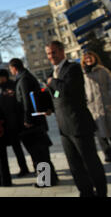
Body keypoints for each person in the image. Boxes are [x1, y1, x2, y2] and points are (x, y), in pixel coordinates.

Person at [46, 41, 107, 197]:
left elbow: (66, 90)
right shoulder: (55, 72)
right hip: (64, 127)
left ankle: (100, 192)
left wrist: (52, 83)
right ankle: (85, 192)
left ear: (62, 52)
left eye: (54, 52)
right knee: (75, 165)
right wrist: (51, 105)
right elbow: (59, 95)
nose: (51, 56)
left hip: (79, 124)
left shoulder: (72, 68)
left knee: (90, 163)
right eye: (48, 53)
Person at [9, 58, 59, 188]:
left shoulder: (23, 79)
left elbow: (26, 100)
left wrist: (27, 119)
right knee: (41, 152)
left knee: (38, 153)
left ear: (14, 68)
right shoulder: (26, 76)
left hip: (32, 124)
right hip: (36, 121)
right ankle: (51, 178)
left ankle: (46, 180)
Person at [0, 69, 31, 177]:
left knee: (20, 147)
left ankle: (24, 167)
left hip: (16, 123)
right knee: (13, 148)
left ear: (3, 77)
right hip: (4, 125)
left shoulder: (13, 86)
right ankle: (20, 168)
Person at [81, 51, 111, 162]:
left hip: (106, 104)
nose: (88, 60)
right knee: (99, 133)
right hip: (93, 107)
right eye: (86, 58)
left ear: (95, 58)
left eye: (90, 58)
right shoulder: (84, 74)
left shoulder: (103, 71)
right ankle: (107, 153)